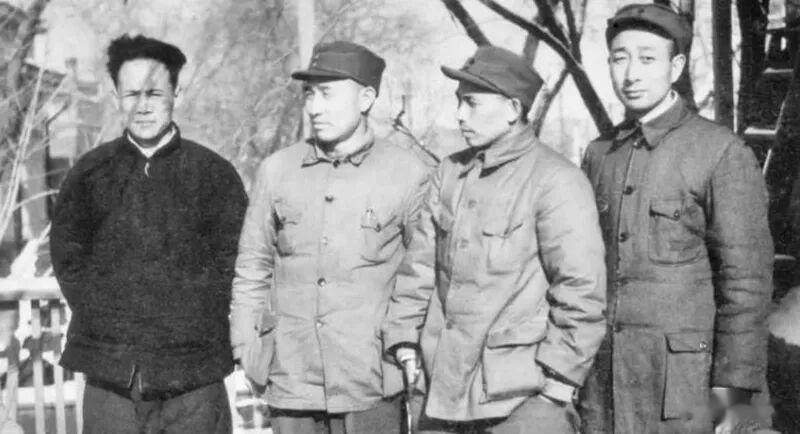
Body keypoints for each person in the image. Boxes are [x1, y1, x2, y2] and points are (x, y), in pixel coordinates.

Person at [381, 45, 607, 433]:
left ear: (513, 109)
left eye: (471, 103)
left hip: (521, 400)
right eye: (458, 101)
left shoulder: (556, 181)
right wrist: (404, 341)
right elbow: (418, 269)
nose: (459, 114)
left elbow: (581, 291)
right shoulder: (449, 173)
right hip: (440, 389)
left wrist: (558, 383)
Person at [580, 4, 774, 433]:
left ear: (677, 66)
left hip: (688, 393)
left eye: (647, 58)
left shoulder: (720, 151)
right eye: (619, 58)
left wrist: (734, 402)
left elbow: (746, 285)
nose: (631, 74)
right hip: (605, 390)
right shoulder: (599, 154)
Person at [230, 40, 431, 434]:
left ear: (366, 98)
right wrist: (246, 350)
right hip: (291, 380)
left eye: (327, 93)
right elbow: (252, 265)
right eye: (309, 94)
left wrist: (408, 348)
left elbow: (422, 274)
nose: (314, 108)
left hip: (371, 383)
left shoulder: (408, 174)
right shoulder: (276, 171)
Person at [50, 34, 247, 433]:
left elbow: (236, 260)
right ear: (116, 98)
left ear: (177, 94)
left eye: (154, 93)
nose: (142, 106)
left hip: (194, 379)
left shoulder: (213, 174)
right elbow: (68, 258)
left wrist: (193, 317)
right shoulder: (90, 173)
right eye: (131, 94)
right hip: (111, 379)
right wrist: (108, 320)